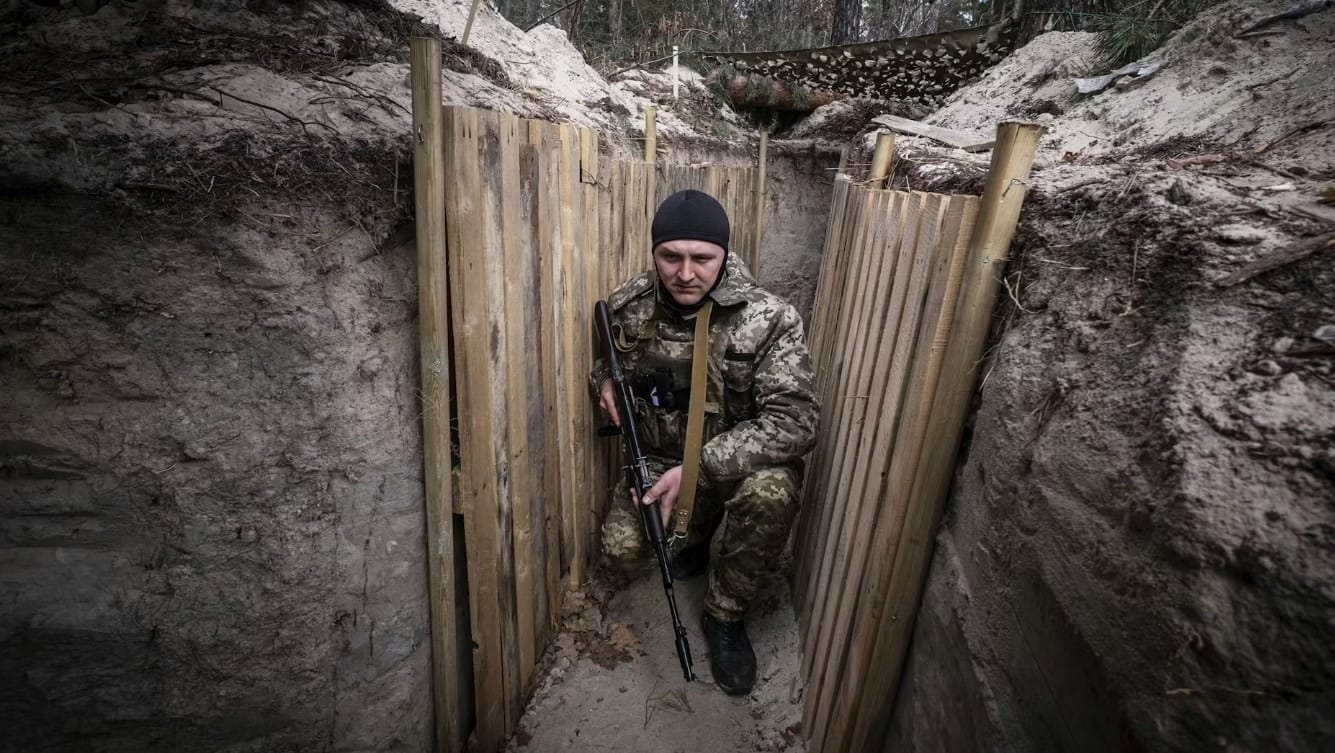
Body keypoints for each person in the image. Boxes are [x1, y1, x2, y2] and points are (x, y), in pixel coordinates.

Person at [589, 189, 819, 695]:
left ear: (724, 254)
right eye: (670, 256)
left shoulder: (768, 319)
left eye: (702, 258)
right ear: (654, 253)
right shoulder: (631, 305)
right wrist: (604, 380)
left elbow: (797, 421)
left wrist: (696, 470)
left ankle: (725, 614)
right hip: (659, 461)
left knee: (771, 493)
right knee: (623, 549)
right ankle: (694, 538)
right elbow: (612, 361)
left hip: (734, 466)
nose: (685, 273)